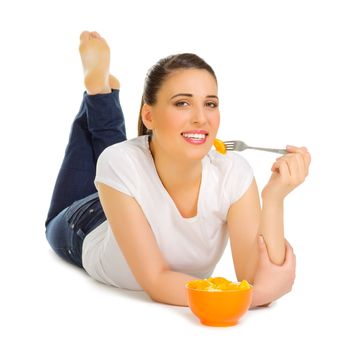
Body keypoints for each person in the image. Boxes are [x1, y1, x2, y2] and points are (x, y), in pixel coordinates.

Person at [45, 31, 311, 308]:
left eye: (210, 104)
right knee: (114, 158)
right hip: (87, 224)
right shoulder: (119, 162)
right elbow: (157, 280)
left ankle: (102, 95)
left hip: (125, 190)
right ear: (148, 115)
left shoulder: (233, 173)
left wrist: (274, 199)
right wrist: (258, 297)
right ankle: (98, 94)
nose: (200, 118)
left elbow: (255, 277)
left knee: (123, 160)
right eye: (182, 103)